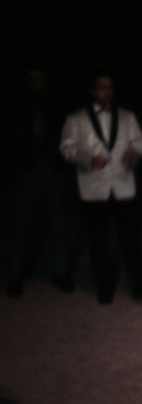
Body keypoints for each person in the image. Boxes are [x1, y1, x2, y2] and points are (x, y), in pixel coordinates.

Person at [59, 74, 142, 304]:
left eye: (110, 87)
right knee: (97, 241)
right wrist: (88, 158)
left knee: (130, 239)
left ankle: (139, 286)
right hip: (93, 187)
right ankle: (104, 286)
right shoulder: (76, 118)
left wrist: (134, 152)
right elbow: (66, 147)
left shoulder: (127, 116)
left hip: (122, 185)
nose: (107, 92)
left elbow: (139, 141)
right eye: (102, 88)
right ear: (93, 91)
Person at [4, 68, 74, 297]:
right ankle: (15, 277)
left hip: (51, 172)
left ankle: (60, 273)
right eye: (32, 79)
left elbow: (66, 139)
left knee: (58, 223)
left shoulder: (55, 108)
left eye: (40, 79)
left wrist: (59, 163)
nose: (37, 83)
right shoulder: (17, 108)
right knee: (20, 225)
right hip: (26, 173)